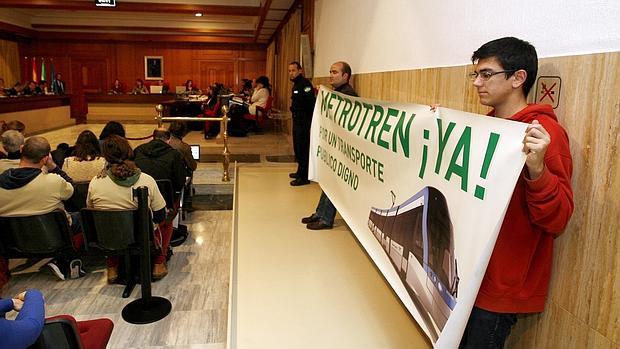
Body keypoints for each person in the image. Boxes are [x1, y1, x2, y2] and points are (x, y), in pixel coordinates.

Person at [457, 37, 574, 349]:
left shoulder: (545, 137)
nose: (477, 83)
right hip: (469, 275)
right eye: (475, 75)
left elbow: (558, 218)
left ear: (517, 78)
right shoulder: (486, 128)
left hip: (500, 287)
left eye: (486, 74)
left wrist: (538, 171)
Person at [0, 136, 84, 281]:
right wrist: (54, 168)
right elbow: (74, 192)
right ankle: (67, 259)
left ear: (21, 150)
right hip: (52, 237)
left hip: (12, 240)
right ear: (45, 159)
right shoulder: (53, 181)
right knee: (83, 216)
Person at [87, 135, 168, 282]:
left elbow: (91, 210)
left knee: (107, 222)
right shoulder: (146, 180)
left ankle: (112, 267)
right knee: (168, 221)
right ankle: (158, 263)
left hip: (108, 238)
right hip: (140, 239)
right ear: (129, 152)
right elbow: (160, 215)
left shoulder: (95, 182)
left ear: (105, 157)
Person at [302, 61, 358, 230]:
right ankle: (320, 213)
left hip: (342, 148)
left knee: (333, 183)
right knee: (328, 181)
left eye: (335, 72)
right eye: (330, 71)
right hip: (334, 146)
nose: (331, 75)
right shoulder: (337, 93)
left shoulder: (348, 95)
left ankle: (326, 219)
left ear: (345, 76)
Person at [288, 61, 316, 186]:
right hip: (297, 119)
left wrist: (309, 122)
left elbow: (310, 103)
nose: (291, 73)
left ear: (300, 71)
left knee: (303, 148)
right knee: (298, 148)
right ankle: (300, 171)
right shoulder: (296, 84)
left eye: (293, 70)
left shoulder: (305, 84)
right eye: (289, 71)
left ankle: (304, 177)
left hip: (303, 121)